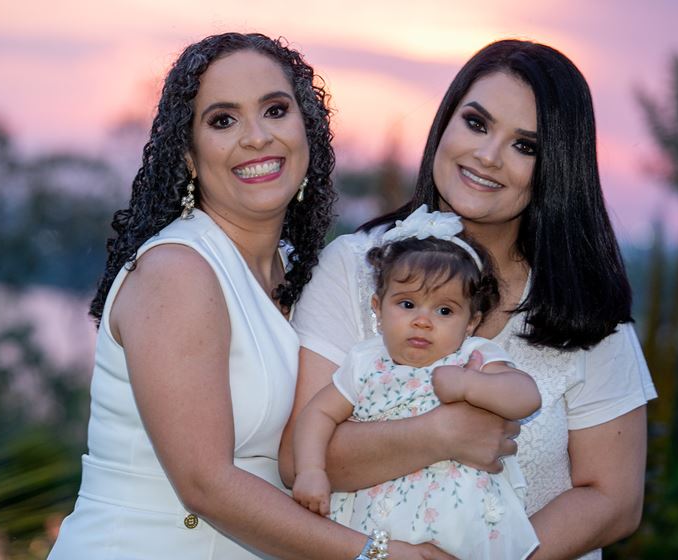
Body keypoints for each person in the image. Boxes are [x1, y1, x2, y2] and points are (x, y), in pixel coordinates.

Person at [49, 33, 452, 560]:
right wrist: (380, 553)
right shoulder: (177, 270)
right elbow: (205, 484)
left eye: (275, 110)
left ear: (305, 128)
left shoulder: (301, 271)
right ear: (189, 157)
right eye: (223, 120)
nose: (257, 137)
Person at [280, 39, 657, 559]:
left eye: (525, 146)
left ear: (557, 169)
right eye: (476, 123)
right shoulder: (355, 266)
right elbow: (298, 459)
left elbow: (615, 500)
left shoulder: (583, 305)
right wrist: (438, 433)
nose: (487, 155)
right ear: (446, 122)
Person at [292, 205, 542, 559]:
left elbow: (526, 397)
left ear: (471, 321)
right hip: (380, 524)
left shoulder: (472, 356)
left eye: (444, 311)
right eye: (407, 304)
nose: (423, 321)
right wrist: (311, 470)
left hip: (463, 526)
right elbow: (317, 414)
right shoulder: (366, 362)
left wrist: (471, 385)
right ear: (378, 308)